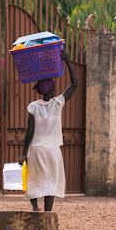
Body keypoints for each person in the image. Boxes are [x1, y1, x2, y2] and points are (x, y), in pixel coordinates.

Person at [18, 50, 78, 212]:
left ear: (39, 91)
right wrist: (67, 60)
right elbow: (75, 84)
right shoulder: (58, 103)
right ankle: (47, 213)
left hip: (36, 151)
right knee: (50, 183)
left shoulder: (33, 106)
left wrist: (24, 153)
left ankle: (36, 209)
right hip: (53, 151)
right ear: (53, 89)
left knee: (34, 180)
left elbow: (29, 132)